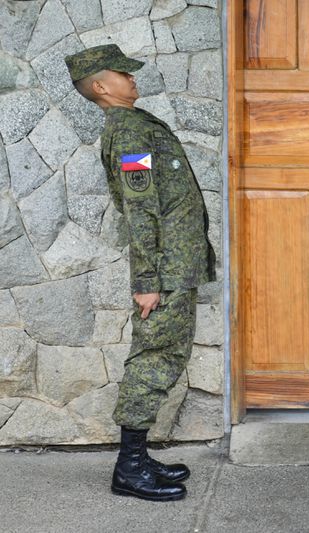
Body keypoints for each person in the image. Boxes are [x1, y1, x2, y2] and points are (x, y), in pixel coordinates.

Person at [65, 44, 216, 502]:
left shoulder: (137, 124)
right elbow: (140, 209)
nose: (132, 80)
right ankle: (129, 468)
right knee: (154, 360)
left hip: (175, 266)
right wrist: (147, 282)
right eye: (122, 75)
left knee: (163, 356)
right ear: (100, 87)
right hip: (164, 271)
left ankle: (139, 458)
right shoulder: (129, 133)